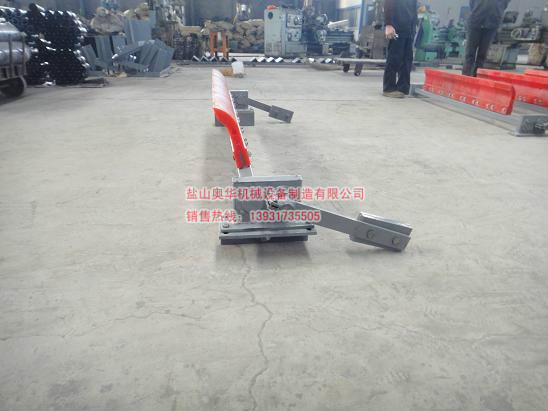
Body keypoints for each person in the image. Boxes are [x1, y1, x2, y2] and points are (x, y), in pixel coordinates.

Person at [462, 0, 511, 76]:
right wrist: (478, 9)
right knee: (470, 53)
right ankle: (466, 76)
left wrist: (498, 10)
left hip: (492, 24)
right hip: (475, 21)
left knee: (482, 55)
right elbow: (472, 3)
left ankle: (477, 76)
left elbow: (505, 3)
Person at [383, 0, 418, 98]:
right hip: (397, 27)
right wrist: (388, 24)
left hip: (409, 28)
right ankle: (389, 88)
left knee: (407, 60)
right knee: (394, 57)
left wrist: (414, 25)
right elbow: (388, 3)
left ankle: (403, 88)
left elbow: (413, 8)